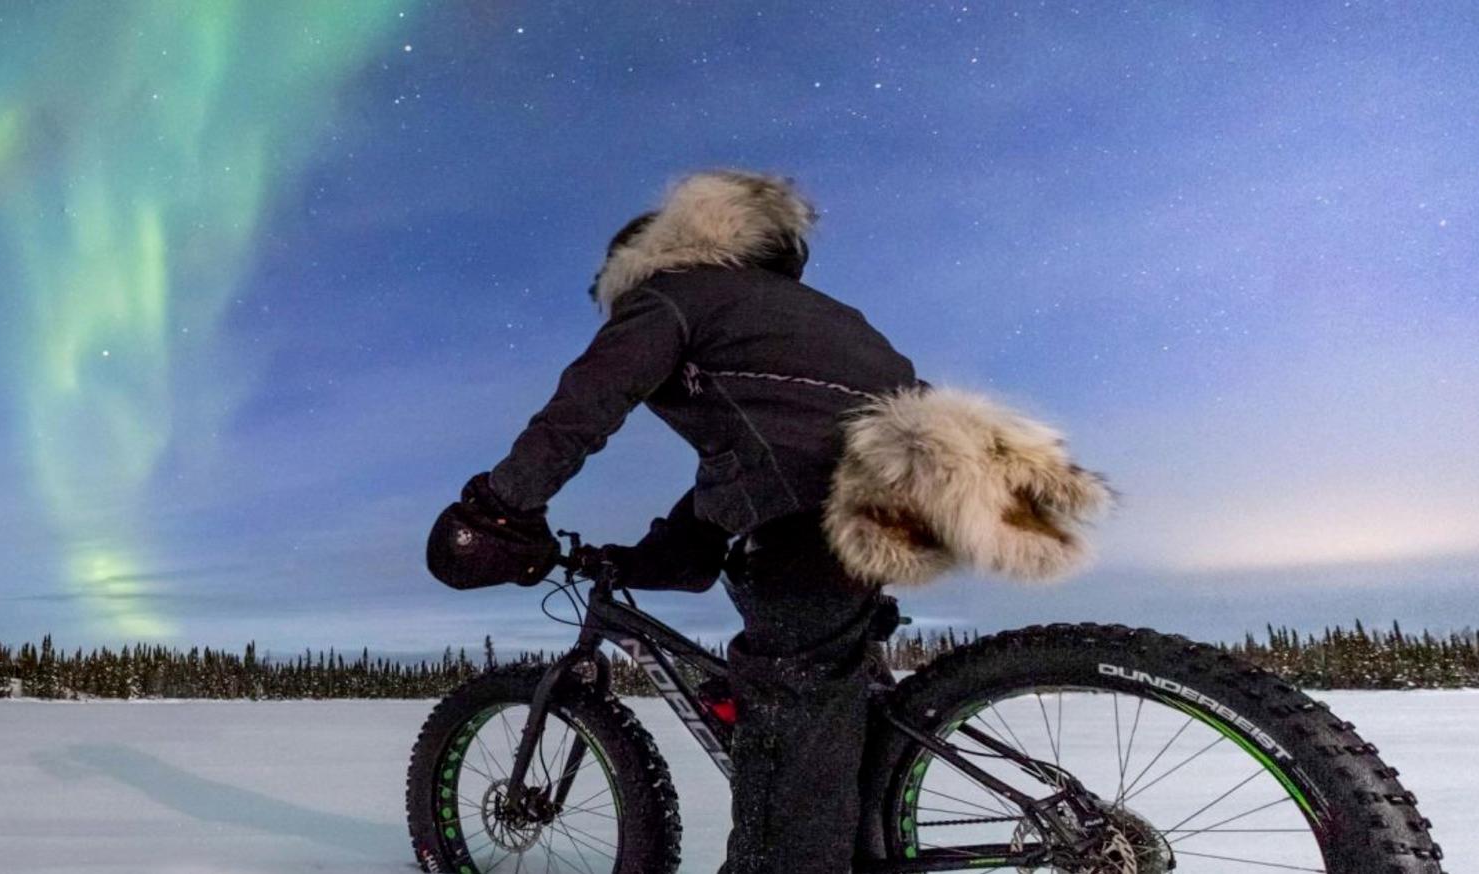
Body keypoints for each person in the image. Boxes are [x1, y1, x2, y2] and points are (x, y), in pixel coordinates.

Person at [429, 170, 1109, 872]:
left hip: (813, 525)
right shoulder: (818, 317)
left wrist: (500, 509)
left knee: (788, 738)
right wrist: (642, 561)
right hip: (887, 513)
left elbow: (582, 408)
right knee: (834, 719)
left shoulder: (669, 295)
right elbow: (756, 463)